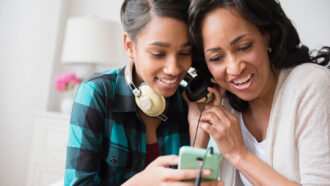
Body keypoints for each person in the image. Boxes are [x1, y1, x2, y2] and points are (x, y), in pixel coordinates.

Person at [64, 0, 222, 185]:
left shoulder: (187, 101)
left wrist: (198, 129)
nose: (173, 69)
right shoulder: (96, 93)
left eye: (184, 53)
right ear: (130, 46)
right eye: (158, 53)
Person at [186, 0, 330, 185]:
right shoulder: (228, 106)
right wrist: (200, 133)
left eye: (244, 47)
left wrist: (239, 154)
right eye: (216, 58)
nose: (235, 68)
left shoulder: (313, 86)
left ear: (266, 36)